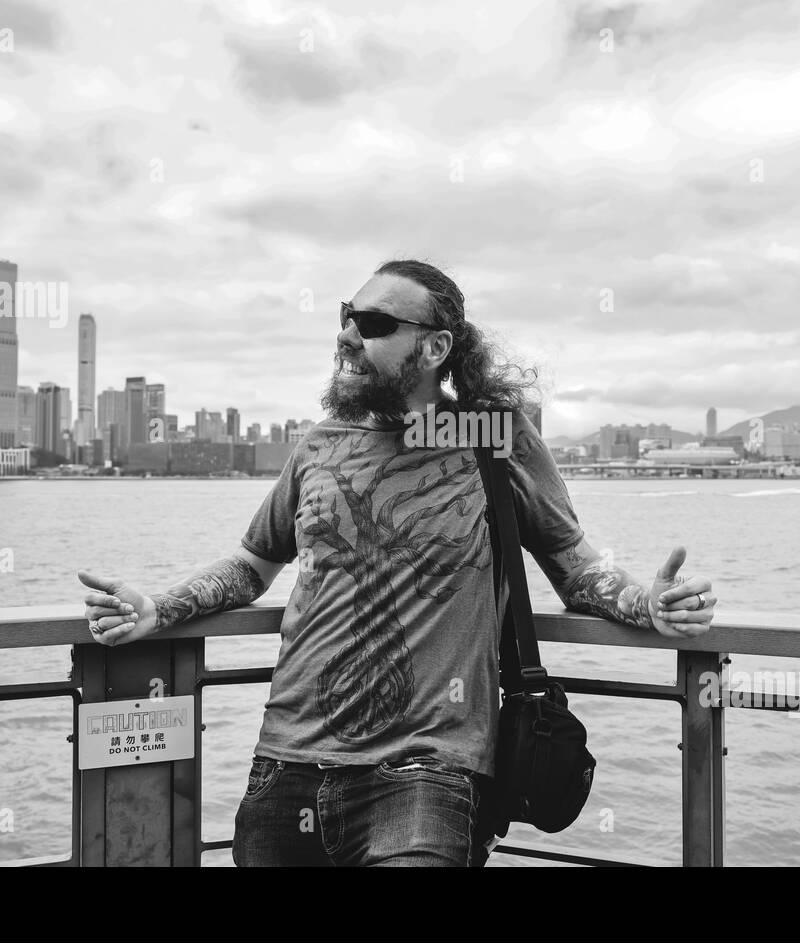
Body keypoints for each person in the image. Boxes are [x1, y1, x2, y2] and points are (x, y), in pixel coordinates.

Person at [78, 259, 717, 867]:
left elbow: (576, 568)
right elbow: (252, 564)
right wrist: (160, 608)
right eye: (347, 315)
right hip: (284, 768)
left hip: (426, 778)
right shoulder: (320, 444)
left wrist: (647, 606)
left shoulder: (495, 439)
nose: (348, 335)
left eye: (375, 324)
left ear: (435, 349)